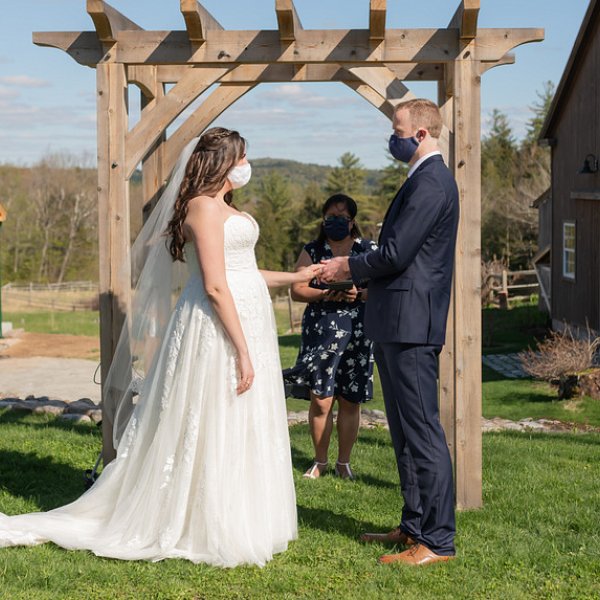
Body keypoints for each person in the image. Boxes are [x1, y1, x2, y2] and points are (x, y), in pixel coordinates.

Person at [0, 127, 321, 567]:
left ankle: (244, 514)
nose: (247, 165)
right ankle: (199, 519)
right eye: (242, 157)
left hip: (248, 318)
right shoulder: (202, 209)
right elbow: (214, 286)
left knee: (242, 413)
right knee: (211, 410)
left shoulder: (225, 208)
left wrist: (296, 278)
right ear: (223, 162)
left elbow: (244, 273)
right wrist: (243, 350)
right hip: (215, 326)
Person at [320, 99, 459, 566]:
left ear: (421, 134)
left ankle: (437, 541)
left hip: (412, 324)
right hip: (395, 321)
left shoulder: (433, 182)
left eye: (397, 130)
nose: (391, 138)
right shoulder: (419, 178)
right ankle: (413, 524)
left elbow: (396, 254)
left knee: (422, 431)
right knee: (402, 432)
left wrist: (347, 266)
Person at [283, 194, 377, 481]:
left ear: (352, 222)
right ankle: (320, 461)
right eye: (330, 218)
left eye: (342, 218)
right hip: (321, 333)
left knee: (350, 400)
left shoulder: (367, 249)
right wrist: (325, 293)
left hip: (358, 334)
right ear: (324, 220)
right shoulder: (312, 250)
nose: (335, 223)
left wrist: (357, 293)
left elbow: (385, 288)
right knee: (321, 399)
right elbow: (296, 289)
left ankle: (343, 463)